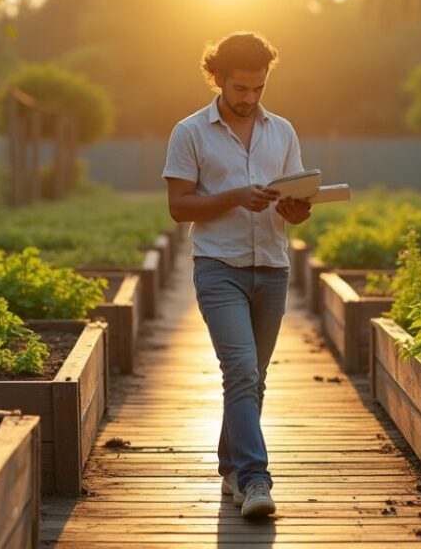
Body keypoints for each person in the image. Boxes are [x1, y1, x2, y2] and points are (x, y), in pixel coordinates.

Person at [162, 31, 311, 519]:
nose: (250, 97)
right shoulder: (189, 132)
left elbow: (296, 207)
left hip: (272, 267)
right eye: (241, 88)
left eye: (259, 87)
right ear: (218, 78)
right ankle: (255, 479)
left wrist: (297, 209)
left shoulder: (282, 131)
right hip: (218, 266)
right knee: (242, 370)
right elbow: (178, 207)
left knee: (253, 378)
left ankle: (230, 467)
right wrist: (235, 197)